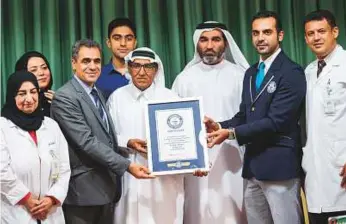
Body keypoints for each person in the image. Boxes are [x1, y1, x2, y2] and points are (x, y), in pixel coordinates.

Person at [204, 11, 306, 224]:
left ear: (280, 35)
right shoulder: (250, 73)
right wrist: (219, 126)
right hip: (252, 168)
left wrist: (231, 133)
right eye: (255, 33)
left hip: (280, 169)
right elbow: (244, 115)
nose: (260, 38)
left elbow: (277, 121)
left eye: (267, 32)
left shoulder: (292, 72)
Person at [50, 39, 154, 224]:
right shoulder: (65, 97)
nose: (92, 66)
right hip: (82, 193)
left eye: (97, 61)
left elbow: (105, 136)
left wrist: (126, 143)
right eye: (86, 61)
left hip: (105, 189)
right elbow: (86, 141)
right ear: (73, 63)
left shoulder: (96, 92)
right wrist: (127, 165)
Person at [172, 21, 249, 224]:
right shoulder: (184, 79)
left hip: (233, 158)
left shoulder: (241, 76)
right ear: (197, 43)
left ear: (225, 42)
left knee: (234, 212)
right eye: (204, 40)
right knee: (198, 212)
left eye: (215, 39)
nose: (209, 45)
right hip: (195, 164)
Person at [108, 47, 184, 224]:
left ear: (156, 70)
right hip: (129, 173)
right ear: (129, 67)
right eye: (136, 66)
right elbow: (108, 135)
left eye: (148, 67)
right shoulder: (116, 98)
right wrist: (128, 142)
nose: (142, 72)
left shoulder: (170, 97)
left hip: (164, 178)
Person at [1, 71, 70, 224]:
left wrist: (52, 199)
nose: (29, 99)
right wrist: (27, 200)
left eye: (33, 92)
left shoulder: (51, 126)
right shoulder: (2, 127)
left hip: (50, 213)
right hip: (16, 213)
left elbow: (65, 168)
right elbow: (2, 171)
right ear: (12, 96)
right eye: (21, 93)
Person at [303, 9, 346, 224]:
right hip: (316, 174)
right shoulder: (308, 72)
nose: (316, 38)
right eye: (310, 33)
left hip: (341, 169)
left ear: (335, 32)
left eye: (322, 31)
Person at [96, 18, 137, 100]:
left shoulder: (145, 74)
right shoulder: (97, 76)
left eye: (128, 39)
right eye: (117, 38)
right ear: (108, 43)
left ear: (135, 43)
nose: (123, 44)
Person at [15, 51, 54, 117]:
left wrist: (61, 106)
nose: (41, 73)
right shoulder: (18, 103)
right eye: (33, 70)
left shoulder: (55, 100)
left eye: (44, 68)